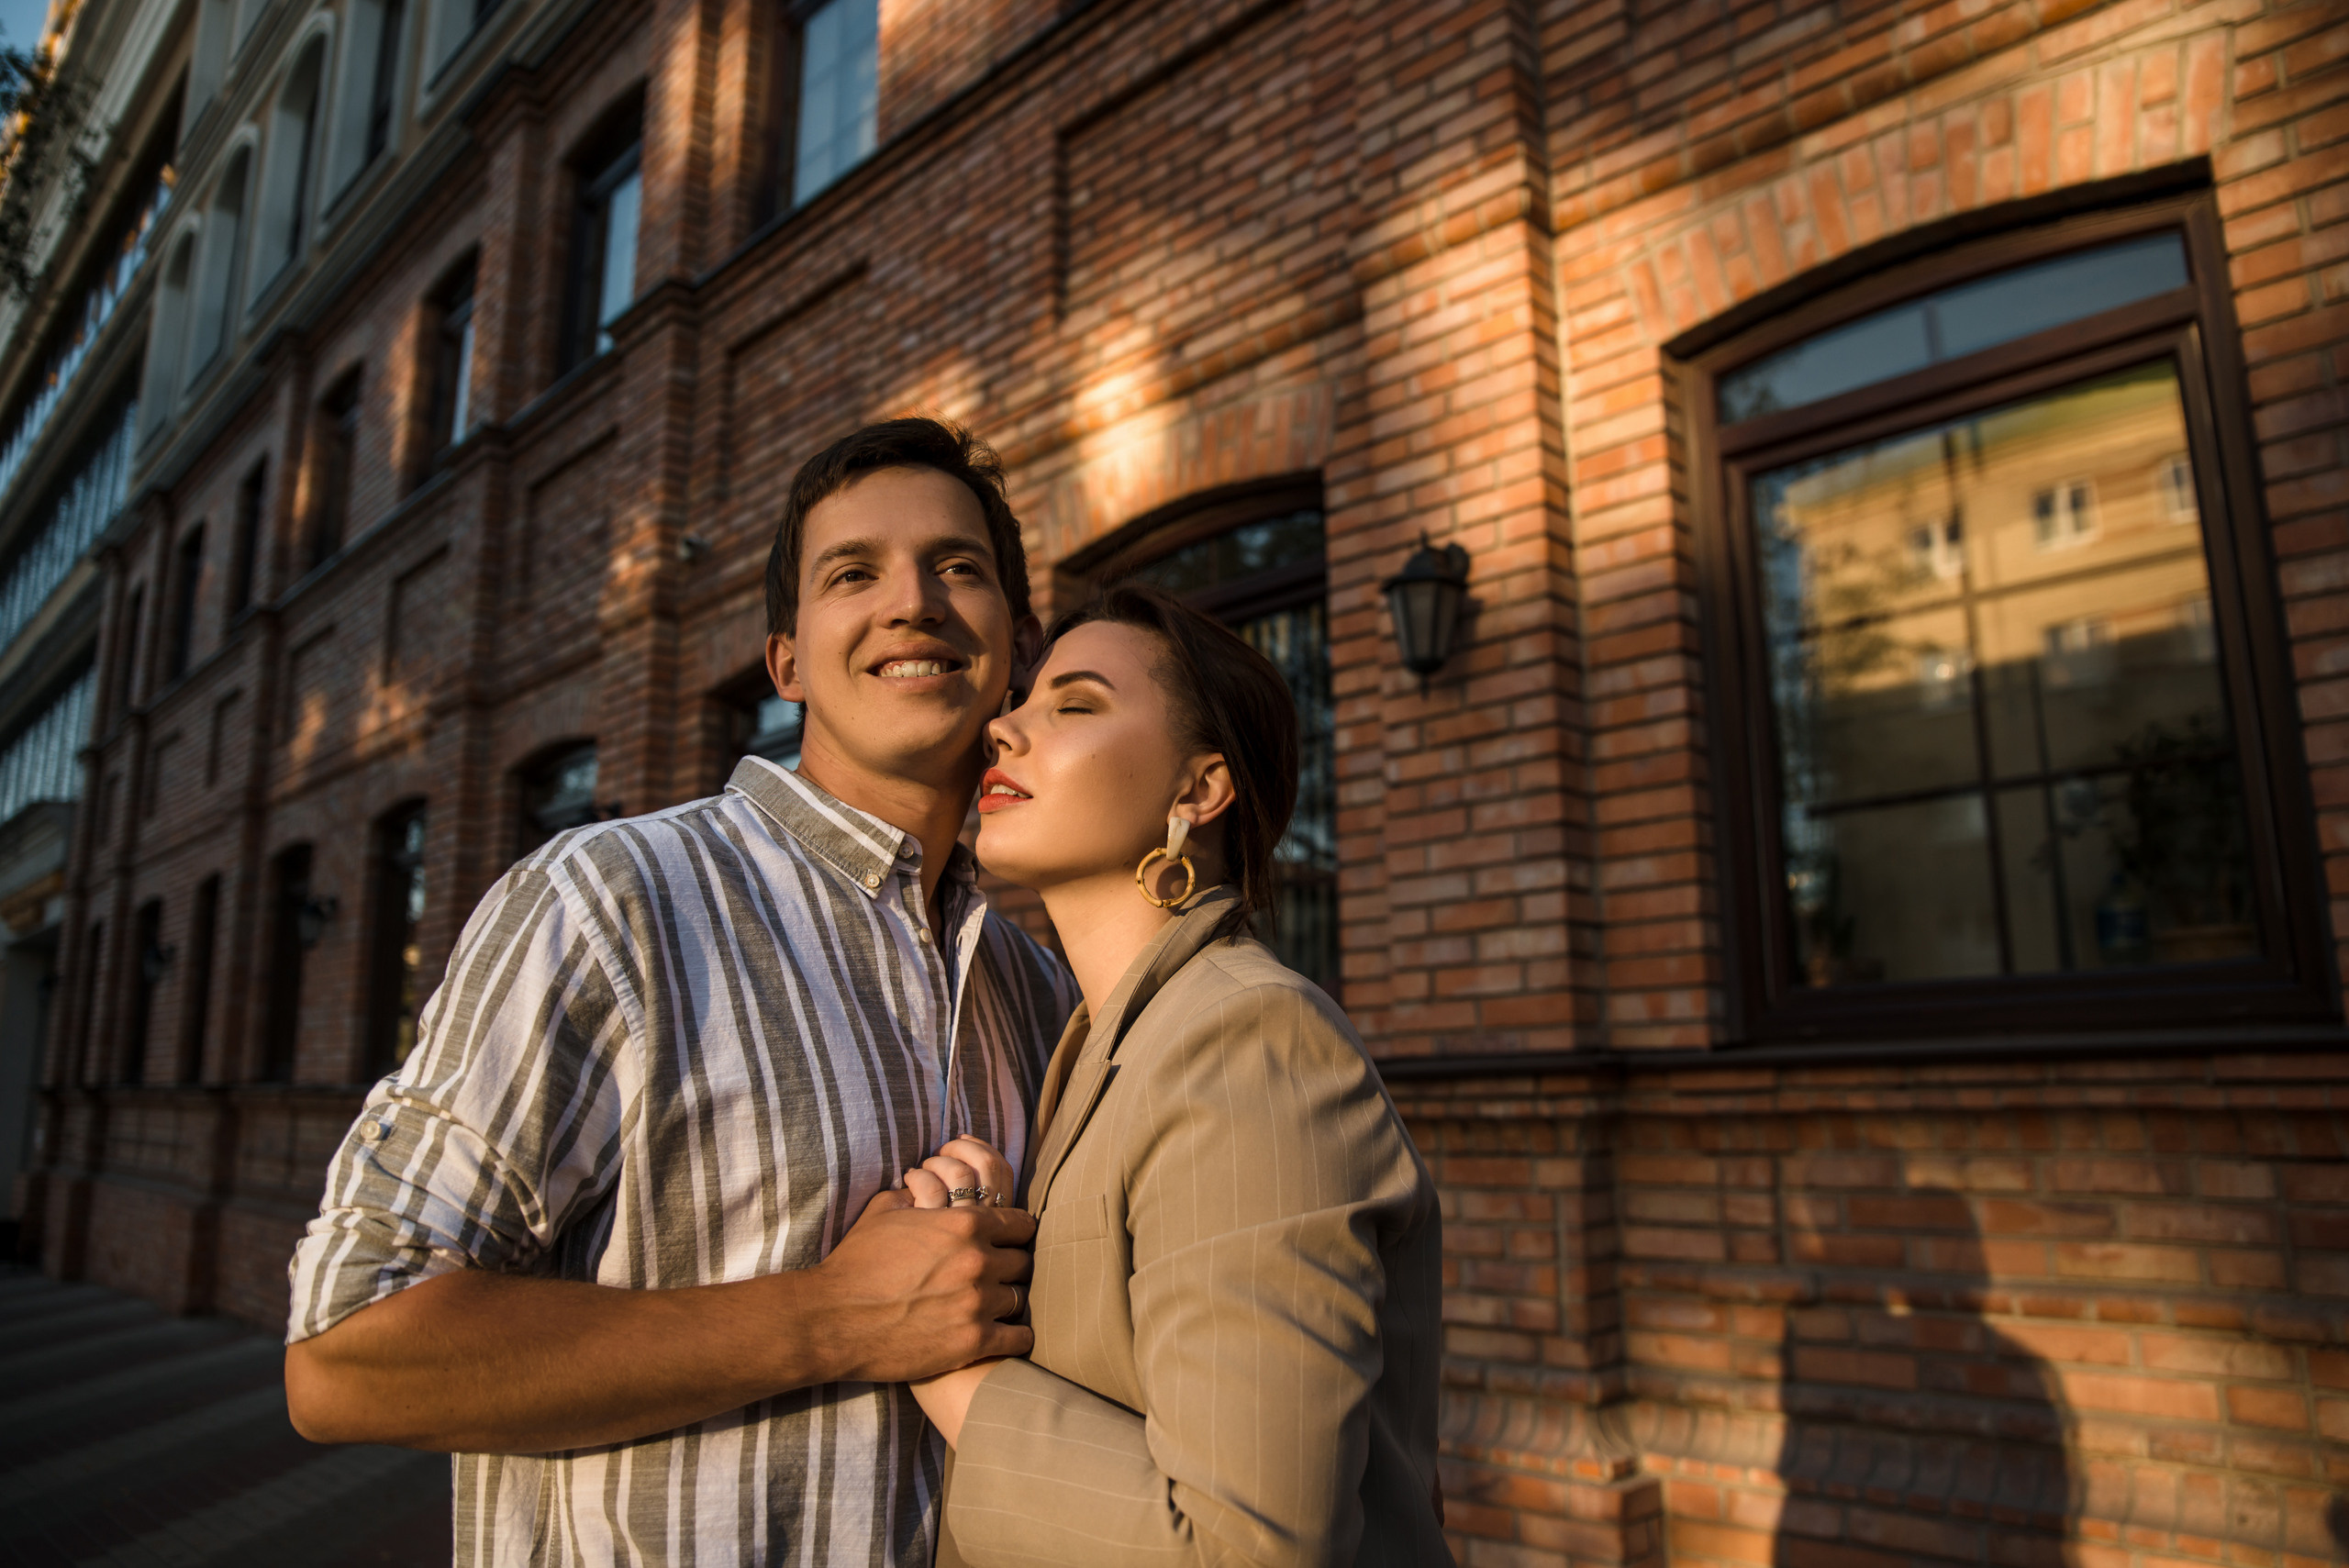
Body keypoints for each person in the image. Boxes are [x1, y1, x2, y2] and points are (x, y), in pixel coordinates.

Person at [281, 418, 1077, 1566]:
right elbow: (346, 1347)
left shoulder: (1036, 984)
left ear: (1020, 642)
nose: (913, 602)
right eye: (852, 572)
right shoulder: (610, 901)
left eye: (959, 567)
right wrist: (828, 1318)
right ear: (789, 660)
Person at [900, 583, 1450, 1566]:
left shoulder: (1249, 1040)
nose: (1003, 730)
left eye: (1072, 703)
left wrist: (949, 1359)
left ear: (1197, 791)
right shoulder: (1104, 1037)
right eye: (1019, 702)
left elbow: (1245, 1547)